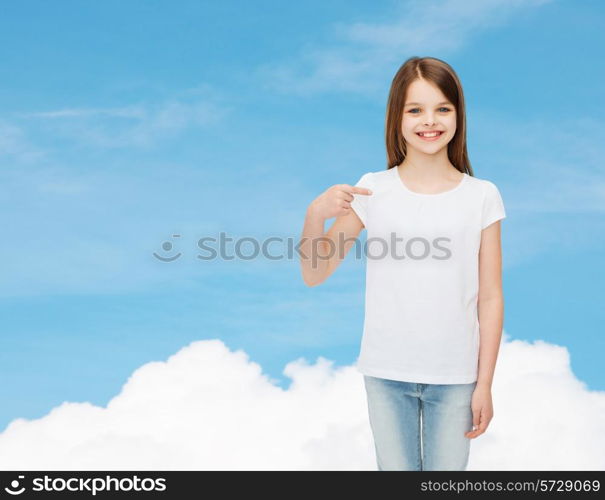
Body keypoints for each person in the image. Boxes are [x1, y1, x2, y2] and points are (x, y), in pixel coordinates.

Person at [299, 56, 506, 471]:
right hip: (386, 372)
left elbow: (490, 298)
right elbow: (314, 273)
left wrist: (484, 384)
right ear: (397, 118)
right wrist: (314, 214)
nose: (429, 121)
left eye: (442, 108)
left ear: (458, 115)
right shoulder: (373, 190)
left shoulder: (481, 195)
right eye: (415, 110)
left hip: (456, 379)